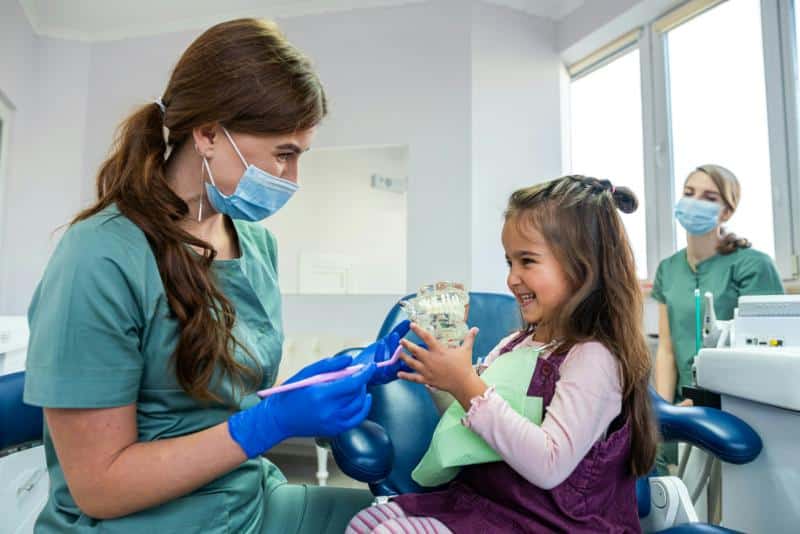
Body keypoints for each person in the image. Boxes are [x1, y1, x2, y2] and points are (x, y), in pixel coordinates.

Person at [22, 18, 409, 533]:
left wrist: (327, 379)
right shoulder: (98, 257)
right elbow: (99, 487)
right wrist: (268, 424)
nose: (293, 179)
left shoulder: (255, 244)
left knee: (422, 522)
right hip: (140, 523)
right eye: (284, 155)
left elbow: (230, 398)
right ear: (207, 134)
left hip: (247, 500)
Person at [346, 176, 658, 533]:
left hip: (555, 524)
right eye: (510, 262)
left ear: (583, 267)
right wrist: (444, 380)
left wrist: (466, 384)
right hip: (493, 507)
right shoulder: (514, 345)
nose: (512, 278)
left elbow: (549, 463)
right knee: (368, 521)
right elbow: (474, 423)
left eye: (527, 261)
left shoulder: (594, 359)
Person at [652, 164, 783, 474]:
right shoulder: (667, 269)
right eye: (688, 193)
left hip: (740, 407)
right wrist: (664, 410)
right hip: (684, 405)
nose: (695, 201)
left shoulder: (753, 265)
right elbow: (668, 350)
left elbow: (766, 352)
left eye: (709, 197)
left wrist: (712, 400)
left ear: (727, 211)